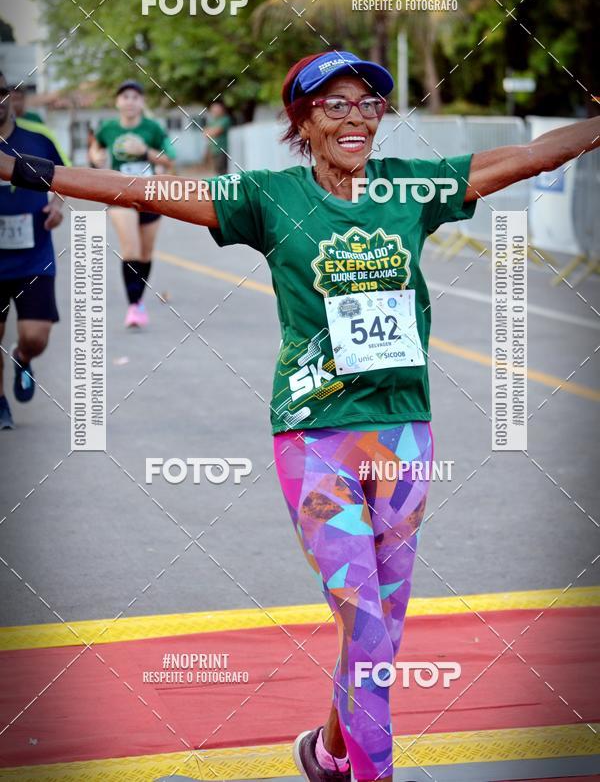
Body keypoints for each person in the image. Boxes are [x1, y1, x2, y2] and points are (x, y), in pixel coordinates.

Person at [4, 50, 600, 782]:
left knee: (378, 630)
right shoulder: (268, 196)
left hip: (405, 430)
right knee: (368, 629)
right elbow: (137, 187)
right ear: (303, 121)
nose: (355, 118)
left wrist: (594, 127)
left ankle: (325, 753)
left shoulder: (416, 185)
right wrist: (16, 170)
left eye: (368, 104)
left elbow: (531, 155)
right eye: (334, 105)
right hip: (315, 437)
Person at [0, 71, 67, 430]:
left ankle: (23, 357)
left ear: (10, 96)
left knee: (35, 336)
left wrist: (57, 206)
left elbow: (64, 180)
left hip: (34, 255)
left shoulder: (37, 140)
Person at [88, 80, 176, 328]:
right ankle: (134, 306)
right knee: (131, 250)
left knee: (146, 254)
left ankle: (138, 301)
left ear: (142, 102)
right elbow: (95, 149)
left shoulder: (153, 129)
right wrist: (96, 156)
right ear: (117, 102)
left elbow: (170, 160)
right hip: (121, 195)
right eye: (125, 96)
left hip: (150, 195)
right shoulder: (108, 129)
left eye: (135, 97)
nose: (129, 101)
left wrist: (145, 151)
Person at [203, 100, 231, 176]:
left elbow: (216, 131)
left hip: (222, 149)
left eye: (216, 109)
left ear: (221, 109)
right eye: (212, 110)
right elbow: (205, 133)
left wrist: (210, 132)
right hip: (214, 150)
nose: (214, 112)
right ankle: (219, 186)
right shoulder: (213, 121)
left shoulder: (225, 119)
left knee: (223, 172)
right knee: (217, 171)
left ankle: (225, 187)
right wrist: (210, 132)